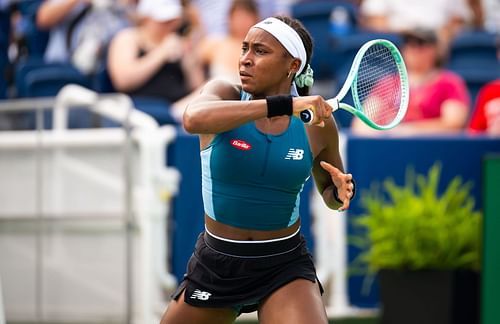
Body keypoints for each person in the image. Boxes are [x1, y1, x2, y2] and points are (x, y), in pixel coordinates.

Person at [160, 15, 355, 324]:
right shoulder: (224, 93)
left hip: (284, 264)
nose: (246, 60)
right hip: (217, 264)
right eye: (245, 48)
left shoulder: (317, 125)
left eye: (260, 51)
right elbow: (192, 118)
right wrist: (284, 105)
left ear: (292, 66)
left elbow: (330, 195)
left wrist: (339, 194)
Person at [351, 28, 471, 135]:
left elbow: (453, 124)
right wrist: (386, 134)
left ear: (435, 50)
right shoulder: (388, 83)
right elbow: (361, 125)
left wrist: (407, 131)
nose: (413, 49)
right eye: (408, 43)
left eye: (420, 43)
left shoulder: (450, 83)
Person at [107, 0, 205, 123]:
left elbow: (196, 86)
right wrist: (161, 53)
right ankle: (174, 114)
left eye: (173, 20)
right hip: (141, 111)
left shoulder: (180, 42)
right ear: (146, 18)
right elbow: (123, 81)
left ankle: (178, 113)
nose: (170, 25)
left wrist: (190, 64)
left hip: (181, 106)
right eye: (163, 21)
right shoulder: (128, 38)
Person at [36, 0, 132, 74]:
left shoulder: (116, 6)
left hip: (97, 74)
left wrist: (120, 6)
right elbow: (42, 19)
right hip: (59, 68)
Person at [196, 0, 260, 83]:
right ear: (230, 18)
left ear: (255, 19)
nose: (242, 22)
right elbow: (194, 64)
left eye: (246, 17)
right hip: (214, 93)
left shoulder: (261, 50)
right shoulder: (215, 44)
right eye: (238, 17)